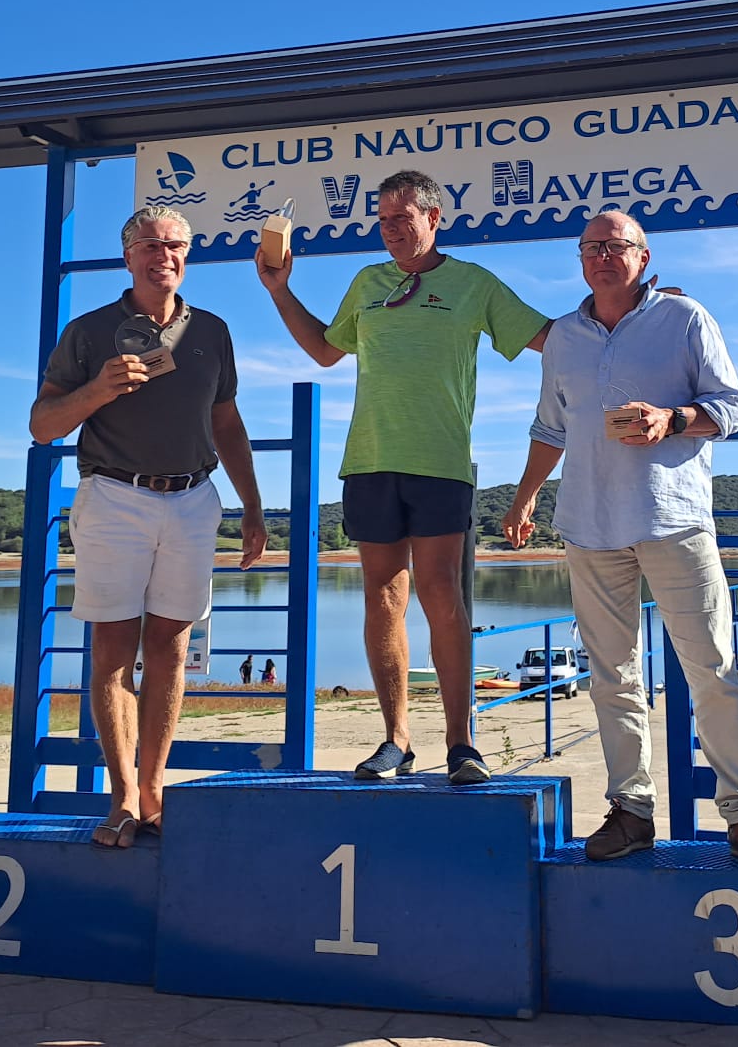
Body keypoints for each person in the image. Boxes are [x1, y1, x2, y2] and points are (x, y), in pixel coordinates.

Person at [501, 213, 738, 872]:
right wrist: (524, 497)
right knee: (612, 679)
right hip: (588, 523)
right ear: (580, 260)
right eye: (592, 248)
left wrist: (675, 418)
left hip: (674, 520)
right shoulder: (564, 339)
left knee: (713, 670)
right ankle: (631, 812)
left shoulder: (686, 320)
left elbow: (731, 407)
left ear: (643, 255)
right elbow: (550, 429)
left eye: (616, 246)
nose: (603, 256)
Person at [258, 168, 549, 784]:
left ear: (434, 218)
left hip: (440, 463)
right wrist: (279, 289)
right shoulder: (368, 283)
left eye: (402, 218)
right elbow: (324, 350)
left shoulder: (473, 283)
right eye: (382, 220)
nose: (390, 230)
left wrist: (628, 323)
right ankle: (396, 741)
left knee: (443, 596)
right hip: (368, 460)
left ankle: (461, 742)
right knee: (382, 599)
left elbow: (547, 337)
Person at [31, 208, 268, 848]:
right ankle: (123, 797)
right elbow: (43, 425)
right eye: (149, 245)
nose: (163, 254)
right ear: (127, 256)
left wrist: (251, 504)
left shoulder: (213, 331)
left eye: (174, 245)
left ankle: (155, 788)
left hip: (194, 499)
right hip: (114, 496)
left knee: (169, 645)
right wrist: (98, 391)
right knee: (112, 648)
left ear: (187, 255)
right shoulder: (88, 332)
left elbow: (226, 424)